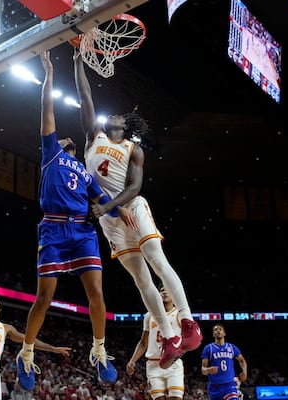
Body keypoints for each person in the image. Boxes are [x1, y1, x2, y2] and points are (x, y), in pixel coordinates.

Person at [16, 50, 138, 391]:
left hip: (82, 230)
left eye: (69, 137)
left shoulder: (85, 173)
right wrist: (49, 74)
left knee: (97, 293)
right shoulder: (51, 152)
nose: (66, 135)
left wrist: (121, 208)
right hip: (54, 228)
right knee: (44, 297)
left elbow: (104, 202)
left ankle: (99, 351)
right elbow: (46, 110)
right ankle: (26, 354)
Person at [73, 48, 202, 368]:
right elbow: (85, 94)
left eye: (117, 116)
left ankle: (189, 324)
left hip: (130, 205)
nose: (110, 116)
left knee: (157, 259)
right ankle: (171, 337)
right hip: (110, 219)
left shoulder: (134, 149)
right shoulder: (93, 136)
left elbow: (134, 187)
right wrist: (78, 60)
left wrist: (114, 206)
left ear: (125, 126)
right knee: (141, 280)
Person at [126, 286, 184, 400]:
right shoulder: (149, 315)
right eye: (162, 290)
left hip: (173, 363)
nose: (164, 292)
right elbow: (143, 342)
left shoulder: (180, 314)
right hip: (153, 364)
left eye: (168, 289)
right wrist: (132, 360)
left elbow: (189, 339)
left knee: (176, 397)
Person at [201, 324, 247, 400]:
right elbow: (203, 369)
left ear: (224, 333)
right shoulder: (209, 348)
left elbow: (242, 360)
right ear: (213, 334)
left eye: (220, 329)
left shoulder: (232, 347)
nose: (218, 330)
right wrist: (208, 370)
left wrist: (244, 372)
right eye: (216, 329)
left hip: (229, 385)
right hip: (214, 387)